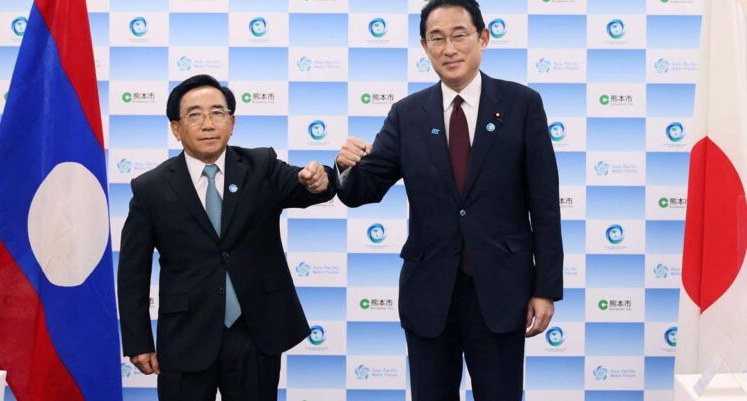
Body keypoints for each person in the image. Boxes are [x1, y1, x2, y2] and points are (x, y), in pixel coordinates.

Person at [334, 1, 563, 400]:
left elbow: (544, 204)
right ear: (425, 47)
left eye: (459, 35)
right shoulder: (407, 115)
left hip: (501, 290)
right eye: (436, 39)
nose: (449, 48)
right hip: (429, 292)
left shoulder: (522, 105)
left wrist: (545, 288)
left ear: (483, 37)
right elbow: (363, 190)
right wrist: (345, 167)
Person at [118, 74, 335, 401]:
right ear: (176, 128)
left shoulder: (260, 165)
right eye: (194, 114)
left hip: (254, 329)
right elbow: (132, 272)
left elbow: (307, 186)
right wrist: (138, 341)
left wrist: (320, 181)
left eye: (217, 113)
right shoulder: (151, 188)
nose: (208, 123)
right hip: (185, 334)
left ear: (231, 122)